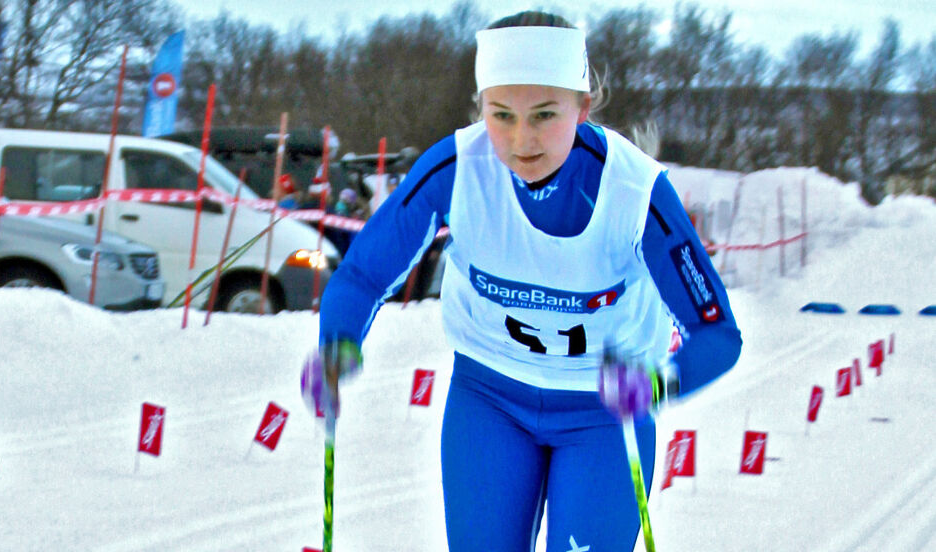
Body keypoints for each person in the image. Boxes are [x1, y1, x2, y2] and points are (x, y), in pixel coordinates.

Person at [301, 10, 742, 551]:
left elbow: (718, 334)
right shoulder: (457, 169)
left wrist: (657, 383)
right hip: (488, 397)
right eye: (502, 114)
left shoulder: (635, 191)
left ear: (583, 108)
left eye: (544, 115)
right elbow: (364, 273)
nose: (521, 139)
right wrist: (336, 341)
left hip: (601, 414)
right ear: (481, 106)